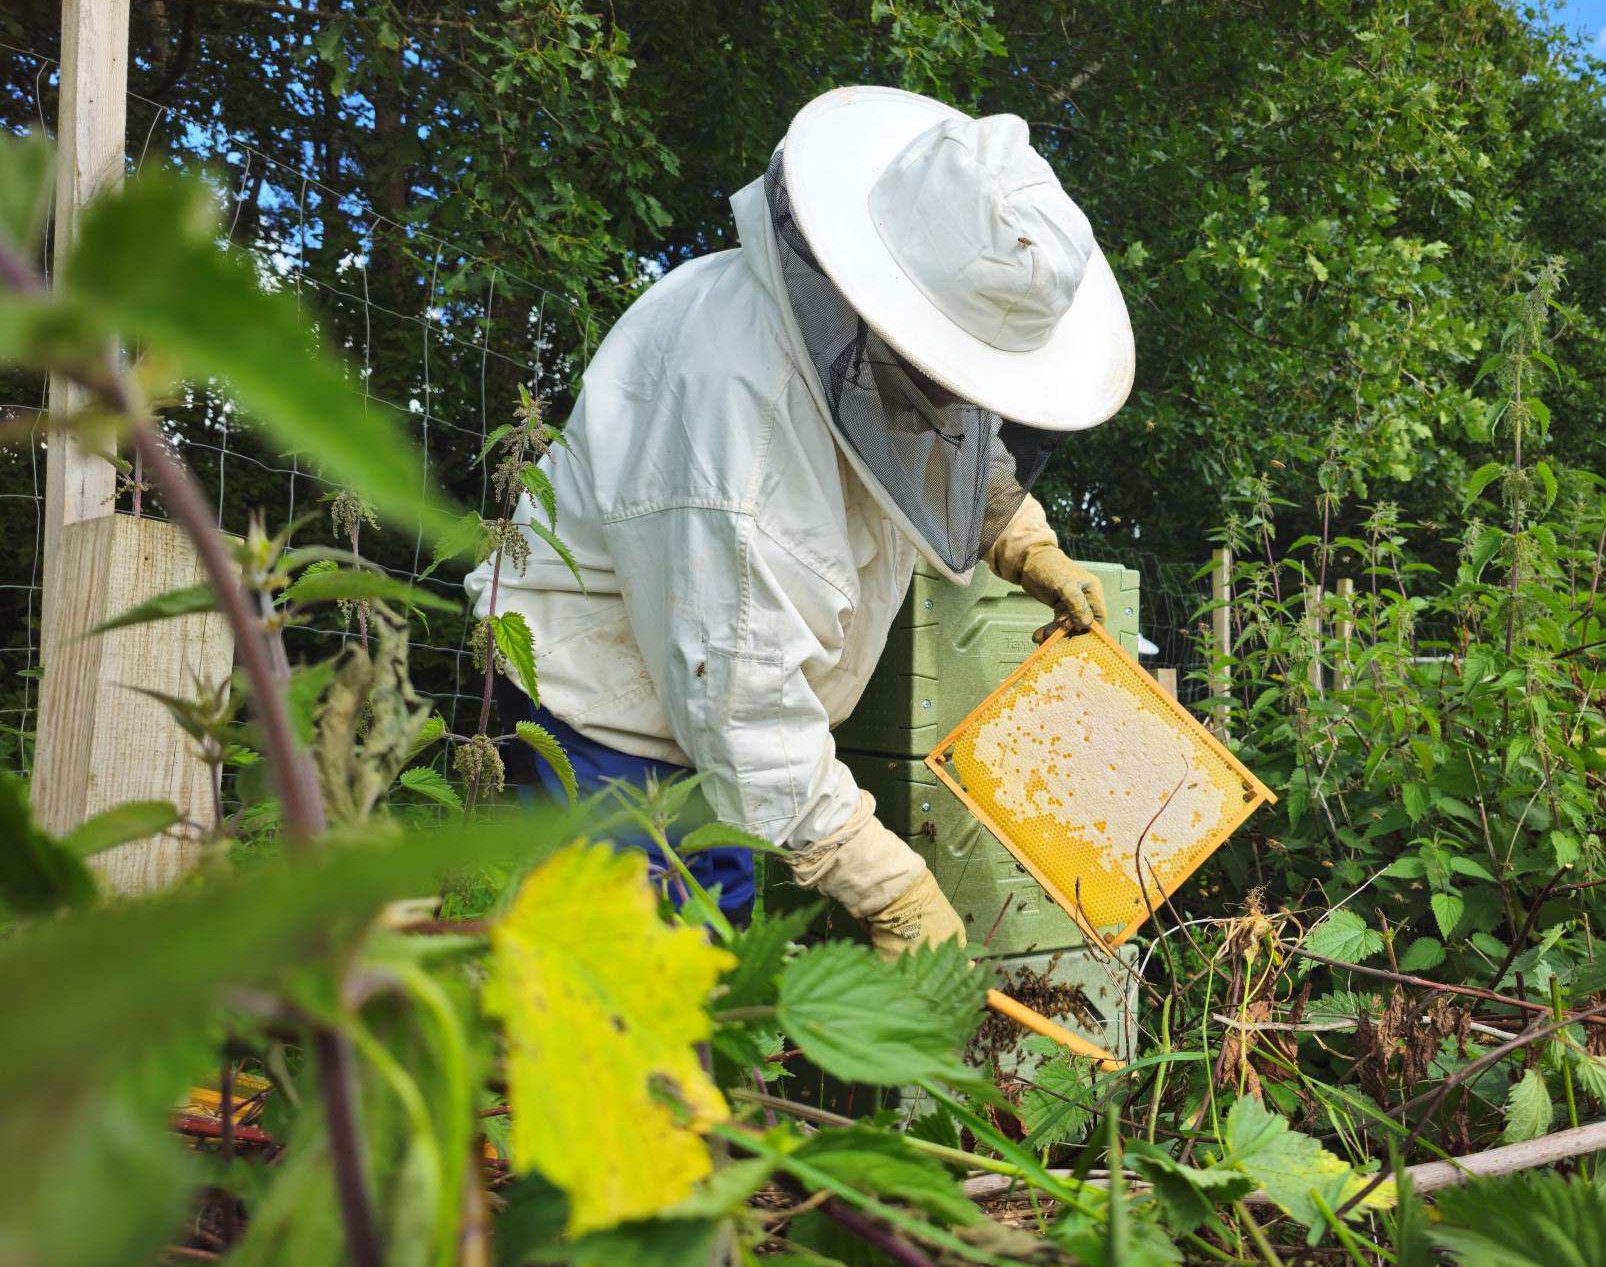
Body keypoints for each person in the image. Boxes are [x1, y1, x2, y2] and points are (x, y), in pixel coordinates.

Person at [471, 85, 1133, 956]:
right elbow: (743, 699)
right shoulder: (740, 428)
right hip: (605, 729)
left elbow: (934, 444)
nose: (960, 397)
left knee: (708, 973)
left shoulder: (864, 347)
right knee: (621, 1019)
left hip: (707, 719)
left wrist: (1022, 539)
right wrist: (888, 886)